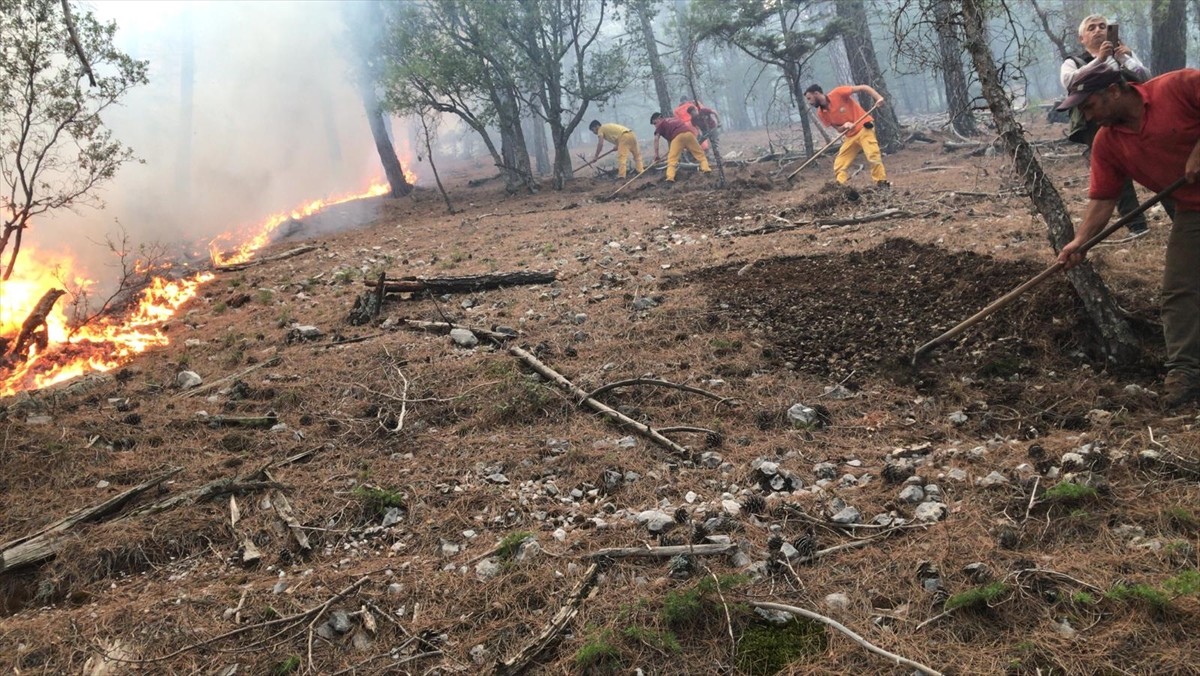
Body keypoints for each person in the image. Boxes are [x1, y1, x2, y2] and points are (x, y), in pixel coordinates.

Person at [1055, 67, 1200, 407]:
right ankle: (1184, 373)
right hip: (1194, 210)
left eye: (1089, 106)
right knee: (1179, 290)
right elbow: (1104, 198)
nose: (1086, 116)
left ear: (1114, 91)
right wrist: (1081, 242)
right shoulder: (1107, 143)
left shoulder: (1179, 86)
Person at [1060, 14, 1152, 236]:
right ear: (1082, 37)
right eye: (1091, 28)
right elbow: (1071, 82)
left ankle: (1178, 212)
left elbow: (1145, 78)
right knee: (1114, 170)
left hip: (1130, 117)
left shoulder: (1122, 53)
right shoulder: (1073, 61)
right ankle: (1136, 225)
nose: (1098, 30)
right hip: (1096, 123)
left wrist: (1127, 58)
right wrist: (1099, 60)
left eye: (1102, 26)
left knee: (1151, 162)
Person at [803, 83, 888, 187]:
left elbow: (863, 87)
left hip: (864, 128)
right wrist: (845, 126)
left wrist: (878, 98)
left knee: (872, 156)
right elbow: (839, 129)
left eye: (809, 98)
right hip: (850, 136)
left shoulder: (838, 93)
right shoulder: (821, 113)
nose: (809, 102)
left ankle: (881, 182)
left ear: (816, 93)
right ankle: (841, 186)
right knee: (840, 163)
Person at [650, 111, 710, 183]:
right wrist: (673, 149)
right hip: (689, 134)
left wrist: (656, 155)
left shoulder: (661, 125)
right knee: (700, 155)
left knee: (672, 160)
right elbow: (671, 141)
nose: (655, 126)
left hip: (677, 138)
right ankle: (706, 170)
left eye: (655, 123)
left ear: (660, 118)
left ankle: (670, 178)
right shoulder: (675, 119)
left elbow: (656, 139)